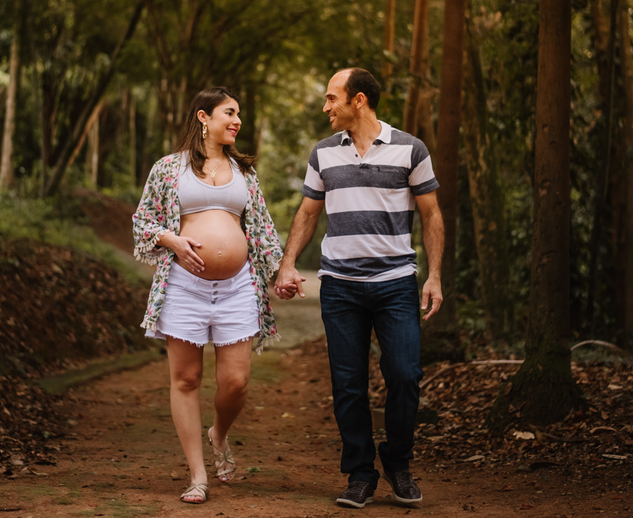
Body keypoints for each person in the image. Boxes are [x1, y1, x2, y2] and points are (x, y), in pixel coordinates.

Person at [275, 68, 443, 509]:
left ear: (360, 100)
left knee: (405, 375)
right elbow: (309, 213)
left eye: (333, 98)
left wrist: (435, 275)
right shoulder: (324, 154)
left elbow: (432, 215)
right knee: (348, 384)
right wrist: (288, 263)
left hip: (395, 283)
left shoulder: (411, 149)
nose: (326, 107)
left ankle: (398, 462)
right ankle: (361, 473)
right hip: (341, 287)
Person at [132, 87, 283, 505]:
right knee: (186, 379)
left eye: (238, 115)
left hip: (237, 288)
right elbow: (143, 222)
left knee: (235, 382)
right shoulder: (168, 168)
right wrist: (173, 241)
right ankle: (198, 475)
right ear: (203, 117)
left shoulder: (245, 174)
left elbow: (264, 229)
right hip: (183, 286)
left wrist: (281, 272)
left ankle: (218, 431)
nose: (237, 121)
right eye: (229, 113)